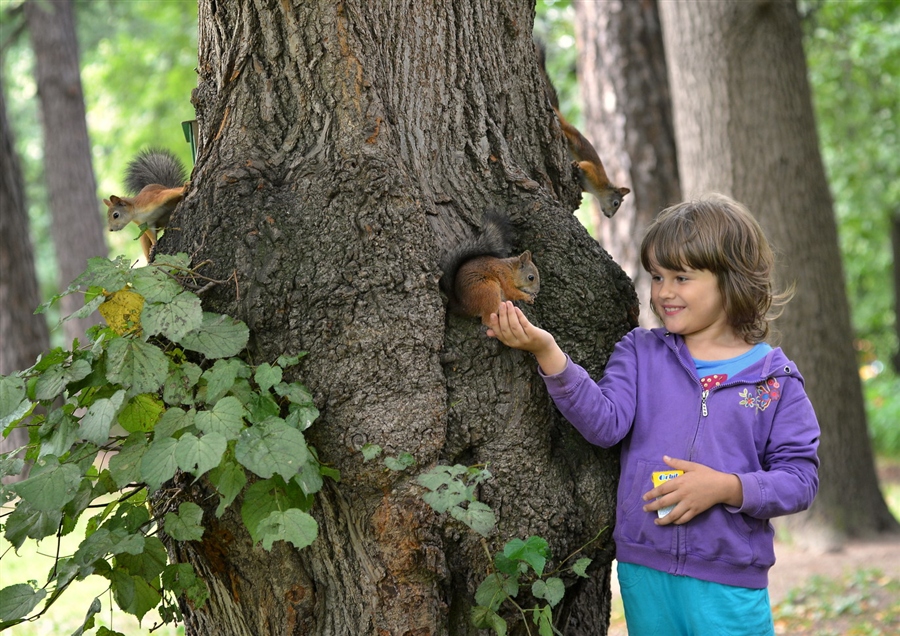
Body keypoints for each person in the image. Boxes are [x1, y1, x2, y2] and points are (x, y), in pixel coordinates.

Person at [488, 194, 820, 636]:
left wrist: (725, 487)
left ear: (731, 279)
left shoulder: (773, 379)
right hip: (645, 571)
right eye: (657, 276)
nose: (663, 292)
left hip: (729, 580)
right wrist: (548, 353)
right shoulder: (640, 351)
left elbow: (800, 479)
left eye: (682, 277)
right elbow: (606, 424)